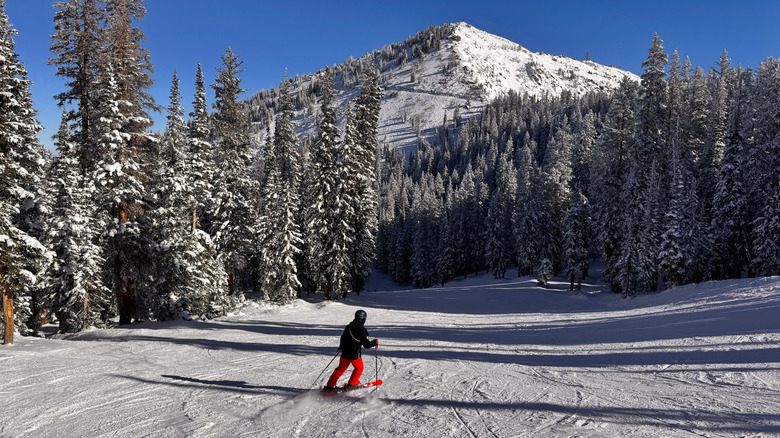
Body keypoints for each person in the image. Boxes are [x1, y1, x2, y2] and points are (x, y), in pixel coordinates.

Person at [323, 309, 379, 391]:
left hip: (345, 352)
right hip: (355, 354)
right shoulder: (363, 331)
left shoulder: (349, 326)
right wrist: (374, 343)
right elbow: (366, 345)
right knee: (359, 368)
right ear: (363, 319)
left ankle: (329, 387)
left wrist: (341, 346)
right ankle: (351, 384)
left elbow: (343, 338)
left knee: (340, 369)